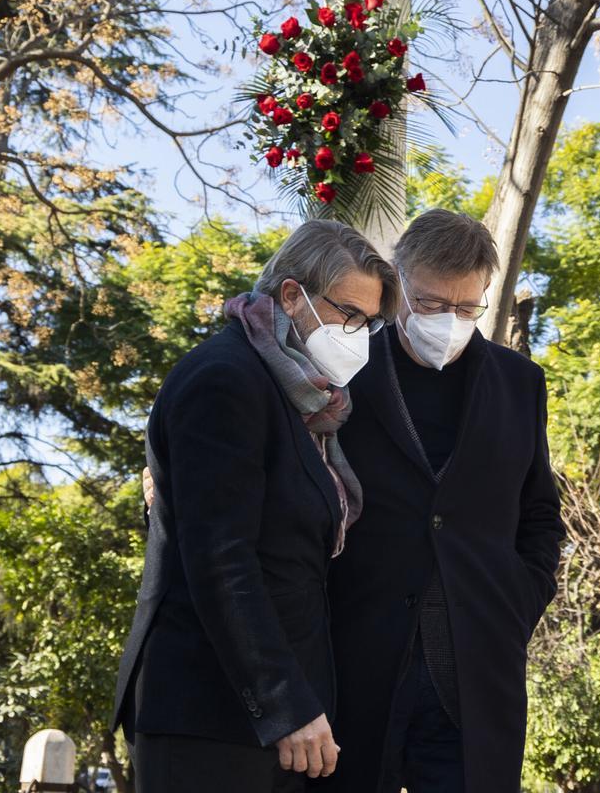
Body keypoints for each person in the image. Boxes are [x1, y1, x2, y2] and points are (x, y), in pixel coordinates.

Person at [114, 220, 396, 792]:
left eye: (368, 322)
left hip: (276, 724)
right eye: (347, 313)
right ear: (292, 295)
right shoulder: (226, 378)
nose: (357, 333)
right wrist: (283, 702)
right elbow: (222, 559)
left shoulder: (304, 403)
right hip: (210, 714)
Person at [314, 209, 565, 793]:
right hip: (358, 657)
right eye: (428, 303)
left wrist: (518, 604)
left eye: (465, 307)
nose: (448, 320)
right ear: (398, 283)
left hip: (478, 667)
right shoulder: (344, 367)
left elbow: (540, 515)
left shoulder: (519, 383)